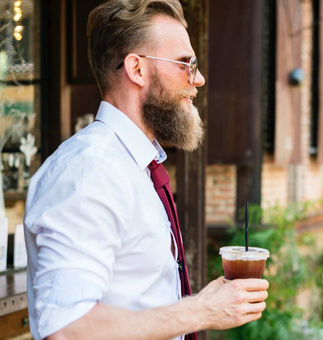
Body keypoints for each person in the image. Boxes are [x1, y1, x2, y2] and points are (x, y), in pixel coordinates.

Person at [24, 1, 268, 339]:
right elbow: (67, 330)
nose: (198, 79)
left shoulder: (135, 166)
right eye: (186, 63)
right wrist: (202, 310)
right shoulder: (88, 171)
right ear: (137, 69)